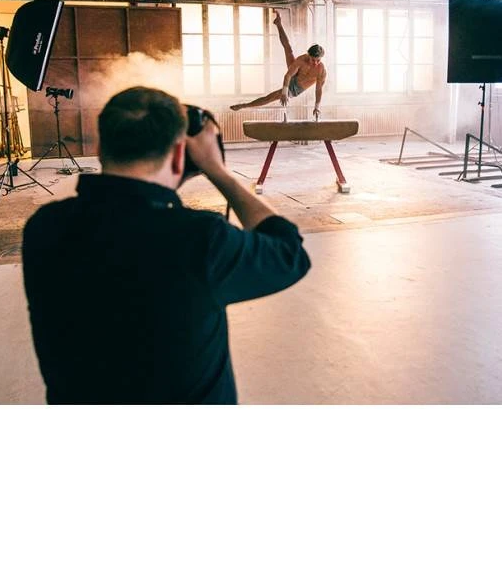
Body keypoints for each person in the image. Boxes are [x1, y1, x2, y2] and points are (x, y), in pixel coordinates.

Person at [22, 86, 311, 404]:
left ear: (101, 148)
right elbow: (289, 252)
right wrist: (218, 170)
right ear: (178, 155)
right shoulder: (202, 239)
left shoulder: (44, 227)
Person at [230, 9, 327, 117]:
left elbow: (318, 89)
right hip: (294, 74)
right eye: (313, 60)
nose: (315, 63)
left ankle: (244, 105)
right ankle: (278, 23)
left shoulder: (321, 70)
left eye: (318, 60)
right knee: (288, 48)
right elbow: (288, 75)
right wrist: (284, 93)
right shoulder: (301, 60)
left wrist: (317, 107)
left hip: (296, 87)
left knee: (271, 97)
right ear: (308, 55)